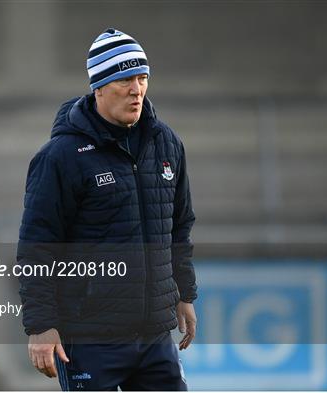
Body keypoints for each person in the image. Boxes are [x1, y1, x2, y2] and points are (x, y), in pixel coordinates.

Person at [17, 28, 197, 391]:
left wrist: (184, 293)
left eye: (142, 77)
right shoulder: (60, 157)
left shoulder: (167, 144)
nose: (137, 90)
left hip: (154, 337)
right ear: (99, 86)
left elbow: (179, 227)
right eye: (124, 79)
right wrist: (40, 324)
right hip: (89, 339)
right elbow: (38, 245)